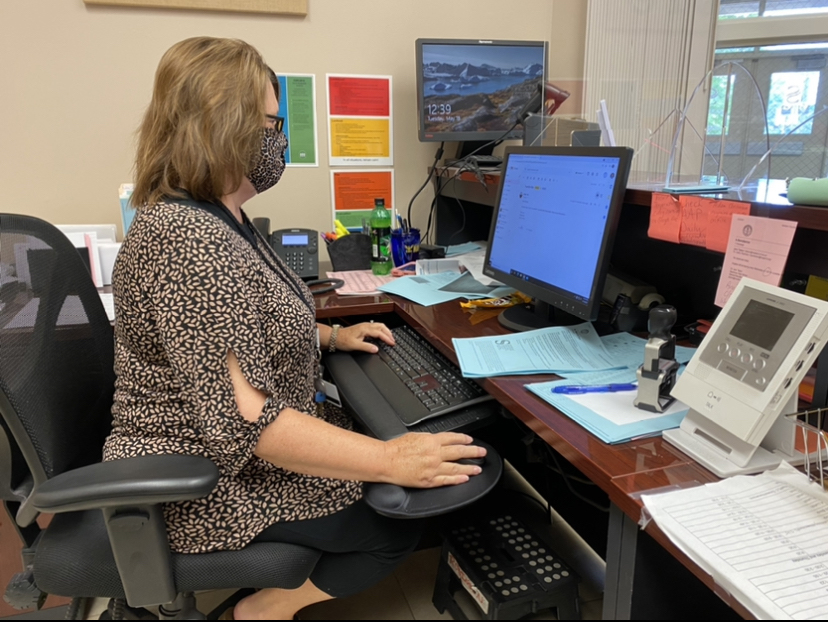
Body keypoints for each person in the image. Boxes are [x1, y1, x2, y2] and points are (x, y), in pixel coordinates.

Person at [103, 37, 486, 620]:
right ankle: (265, 609)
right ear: (224, 124)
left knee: (393, 458)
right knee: (398, 513)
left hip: (227, 449)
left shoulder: (220, 216)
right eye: (270, 124)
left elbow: (241, 329)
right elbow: (246, 419)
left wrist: (332, 337)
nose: (280, 141)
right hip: (208, 480)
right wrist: (391, 461)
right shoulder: (188, 242)